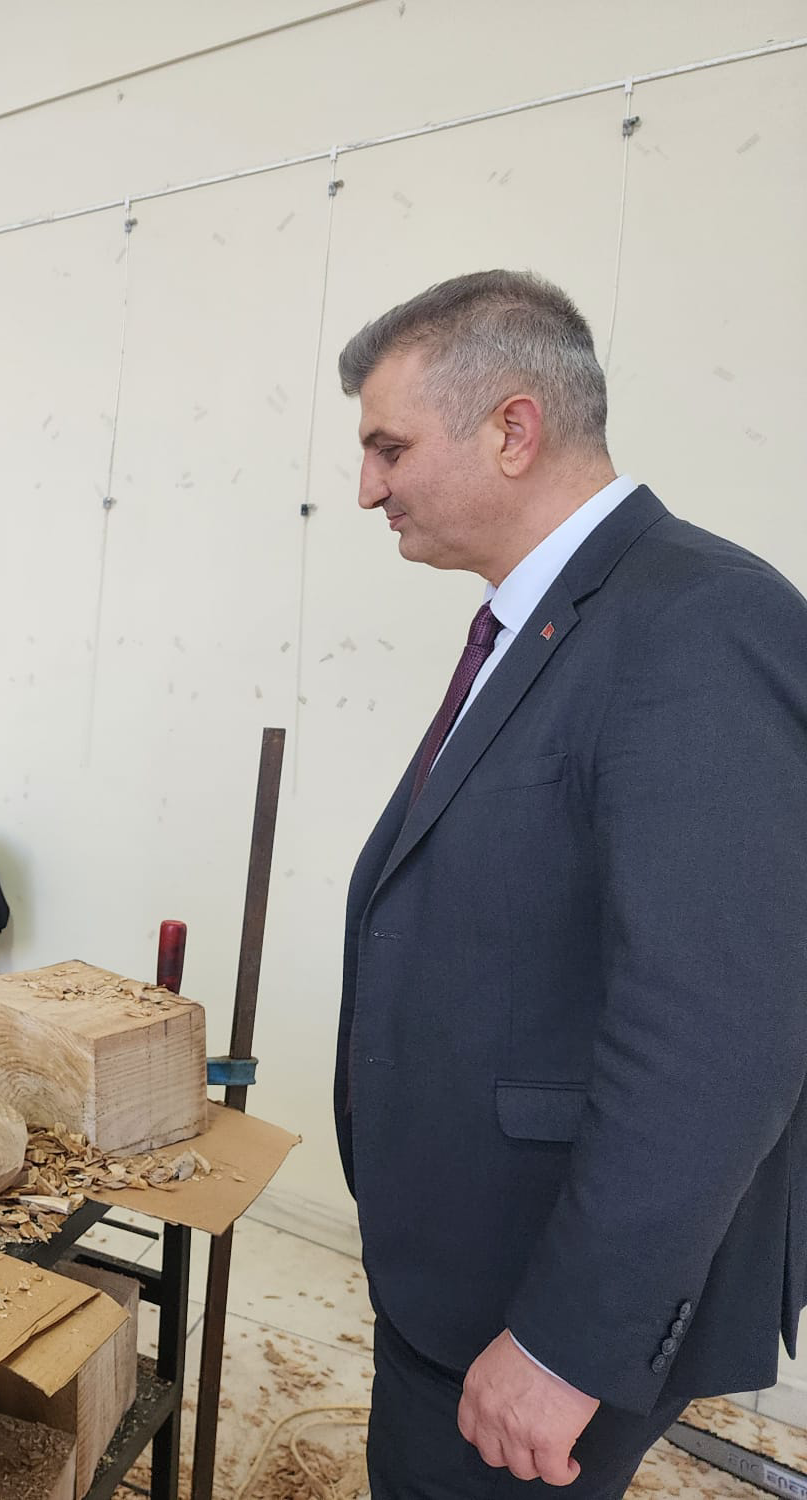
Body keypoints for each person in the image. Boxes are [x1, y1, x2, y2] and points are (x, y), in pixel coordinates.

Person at [332, 270, 807, 1494]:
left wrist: (566, 1338)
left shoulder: (698, 624)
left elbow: (721, 1028)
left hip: (535, 1314)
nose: (365, 486)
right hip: (465, 1275)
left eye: (388, 447)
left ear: (509, 428)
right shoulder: (547, 619)